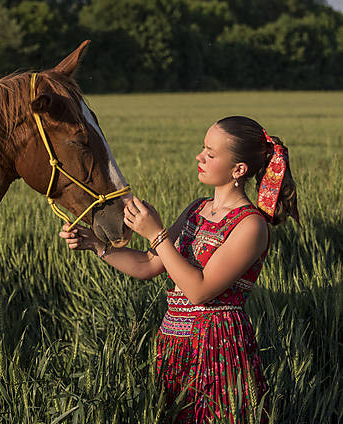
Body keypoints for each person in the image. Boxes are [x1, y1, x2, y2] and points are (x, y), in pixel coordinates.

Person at [59, 116, 299, 423]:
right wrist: (97, 245)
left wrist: (156, 234)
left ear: (238, 170)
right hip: (173, 342)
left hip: (216, 348)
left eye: (211, 154)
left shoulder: (250, 225)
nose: (199, 157)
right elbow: (149, 264)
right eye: (203, 148)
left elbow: (199, 290)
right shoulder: (197, 209)